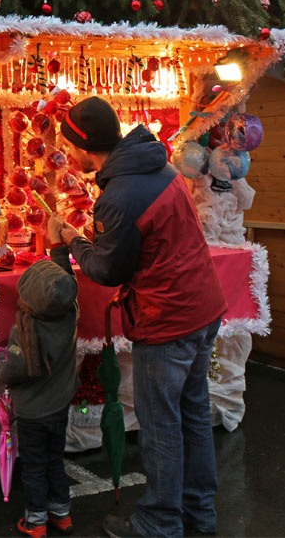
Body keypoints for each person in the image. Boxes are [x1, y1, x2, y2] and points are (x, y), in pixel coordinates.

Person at [48, 96, 226, 538]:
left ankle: (159, 521)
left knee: (162, 424)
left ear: (84, 146)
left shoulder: (121, 195)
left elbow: (109, 271)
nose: (67, 153)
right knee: (192, 412)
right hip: (202, 306)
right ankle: (199, 511)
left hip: (168, 318)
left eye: (68, 145)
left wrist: (72, 241)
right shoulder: (158, 167)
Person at [0, 255, 79, 538]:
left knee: (34, 465)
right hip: (60, 405)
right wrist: (60, 252)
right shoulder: (70, 314)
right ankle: (61, 514)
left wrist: (2, 370)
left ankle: (36, 521)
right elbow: (68, 286)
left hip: (32, 412)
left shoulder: (24, 330)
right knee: (55, 459)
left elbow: (15, 370)